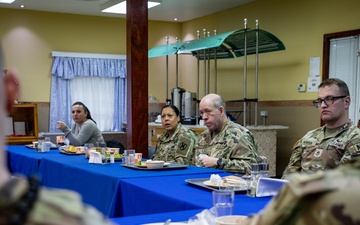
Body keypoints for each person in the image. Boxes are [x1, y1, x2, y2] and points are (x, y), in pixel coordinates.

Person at [0, 53, 114, 224]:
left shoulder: (89, 124)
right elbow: (72, 143)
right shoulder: (74, 216)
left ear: (86, 113)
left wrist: (66, 130)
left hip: (98, 158)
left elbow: (76, 143)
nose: (75, 115)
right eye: (73, 112)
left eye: (78, 112)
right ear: (11, 92)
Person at [242, 152, 360, 225]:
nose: (323, 109)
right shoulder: (309, 136)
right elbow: (291, 168)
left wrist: (289, 193)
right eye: (319, 108)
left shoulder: (354, 138)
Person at [282, 78, 360, 179]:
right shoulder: (309, 136)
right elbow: (289, 174)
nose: (323, 105)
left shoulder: (355, 138)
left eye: (329, 99)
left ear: (346, 102)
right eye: (319, 101)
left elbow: (345, 183)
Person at [195, 93, 260, 174]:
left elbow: (251, 167)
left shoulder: (238, 135)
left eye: (208, 111)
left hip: (231, 184)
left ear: (221, 111)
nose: (204, 117)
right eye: (201, 113)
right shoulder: (203, 136)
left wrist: (219, 162)